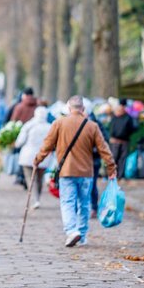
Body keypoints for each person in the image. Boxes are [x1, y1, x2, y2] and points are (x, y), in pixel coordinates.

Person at [34, 95, 117, 247]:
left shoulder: (59, 123)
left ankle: (72, 231)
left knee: (67, 202)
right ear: (83, 109)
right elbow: (104, 149)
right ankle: (82, 235)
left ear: (68, 108)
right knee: (84, 204)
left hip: (66, 171)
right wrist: (111, 167)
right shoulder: (92, 126)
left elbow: (47, 145)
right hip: (86, 173)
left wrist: (38, 160)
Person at [15, 106, 52, 209]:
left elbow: (19, 142)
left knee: (30, 178)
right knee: (39, 179)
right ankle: (37, 198)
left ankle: (34, 200)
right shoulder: (50, 127)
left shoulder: (29, 125)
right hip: (44, 157)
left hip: (27, 156)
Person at [108, 101, 137, 180]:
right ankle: (115, 176)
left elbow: (133, 128)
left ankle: (117, 176)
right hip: (118, 142)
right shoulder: (121, 117)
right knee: (117, 159)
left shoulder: (124, 117)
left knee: (119, 159)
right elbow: (132, 128)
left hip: (120, 141)